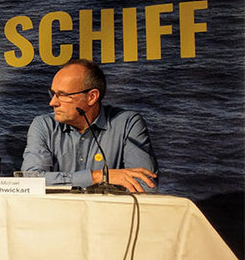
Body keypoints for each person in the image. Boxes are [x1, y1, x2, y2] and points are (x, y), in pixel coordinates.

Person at [21, 59, 158, 192]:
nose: (53, 102)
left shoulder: (128, 124)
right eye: (53, 93)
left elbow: (145, 184)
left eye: (62, 95)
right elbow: (30, 181)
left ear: (92, 97)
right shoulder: (44, 125)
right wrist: (97, 177)